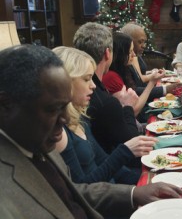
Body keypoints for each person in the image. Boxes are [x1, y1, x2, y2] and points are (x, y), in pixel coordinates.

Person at [0, 45, 182, 218]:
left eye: (65, 106)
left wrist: (132, 193)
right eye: (52, 109)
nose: (64, 118)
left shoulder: (35, 140)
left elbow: (74, 192)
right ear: (6, 104)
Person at [53, 46, 156, 185]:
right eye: (87, 79)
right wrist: (125, 151)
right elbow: (82, 189)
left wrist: (147, 180)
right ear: (65, 82)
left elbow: (104, 162)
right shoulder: (59, 133)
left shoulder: (80, 117)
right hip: (106, 201)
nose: (93, 86)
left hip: (114, 190)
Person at [73, 22, 140, 154]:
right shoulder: (103, 100)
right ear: (108, 53)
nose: (90, 85)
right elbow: (133, 145)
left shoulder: (76, 90)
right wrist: (127, 107)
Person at [102, 31, 163, 116]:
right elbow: (133, 110)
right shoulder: (111, 76)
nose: (134, 55)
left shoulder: (121, 70)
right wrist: (152, 83)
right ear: (120, 54)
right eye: (130, 51)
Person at [120, 22, 174, 101]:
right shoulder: (124, 63)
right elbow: (135, 90)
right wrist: (165, 89)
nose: (144, 46)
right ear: (129, 41)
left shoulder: (135, 56)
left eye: (144, 42)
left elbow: (139, 77)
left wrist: (152, 74)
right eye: (140, 42)